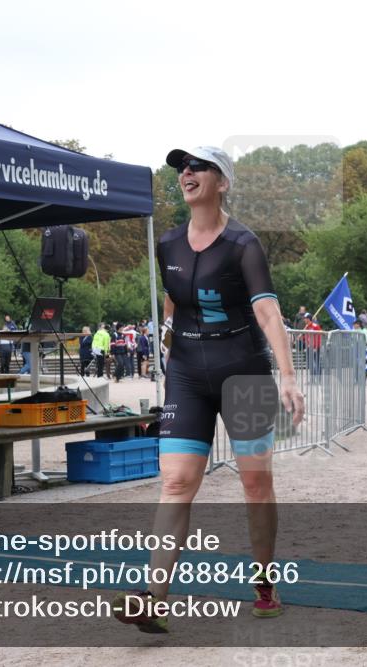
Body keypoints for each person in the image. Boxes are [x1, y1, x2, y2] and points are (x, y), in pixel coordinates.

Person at [111, 145, 304, 634]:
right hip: (188, 376)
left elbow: (266, 312)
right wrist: (166, 343)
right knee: (175, 481)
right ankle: (153, 597)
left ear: (222, 182)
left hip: (245, 373)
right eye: (182, 168)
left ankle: (264, 582)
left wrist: (288, 376)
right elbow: (174, 305)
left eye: (198, 166)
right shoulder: (168, 245)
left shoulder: (244, 244)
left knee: (256, 484)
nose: (187, 173)